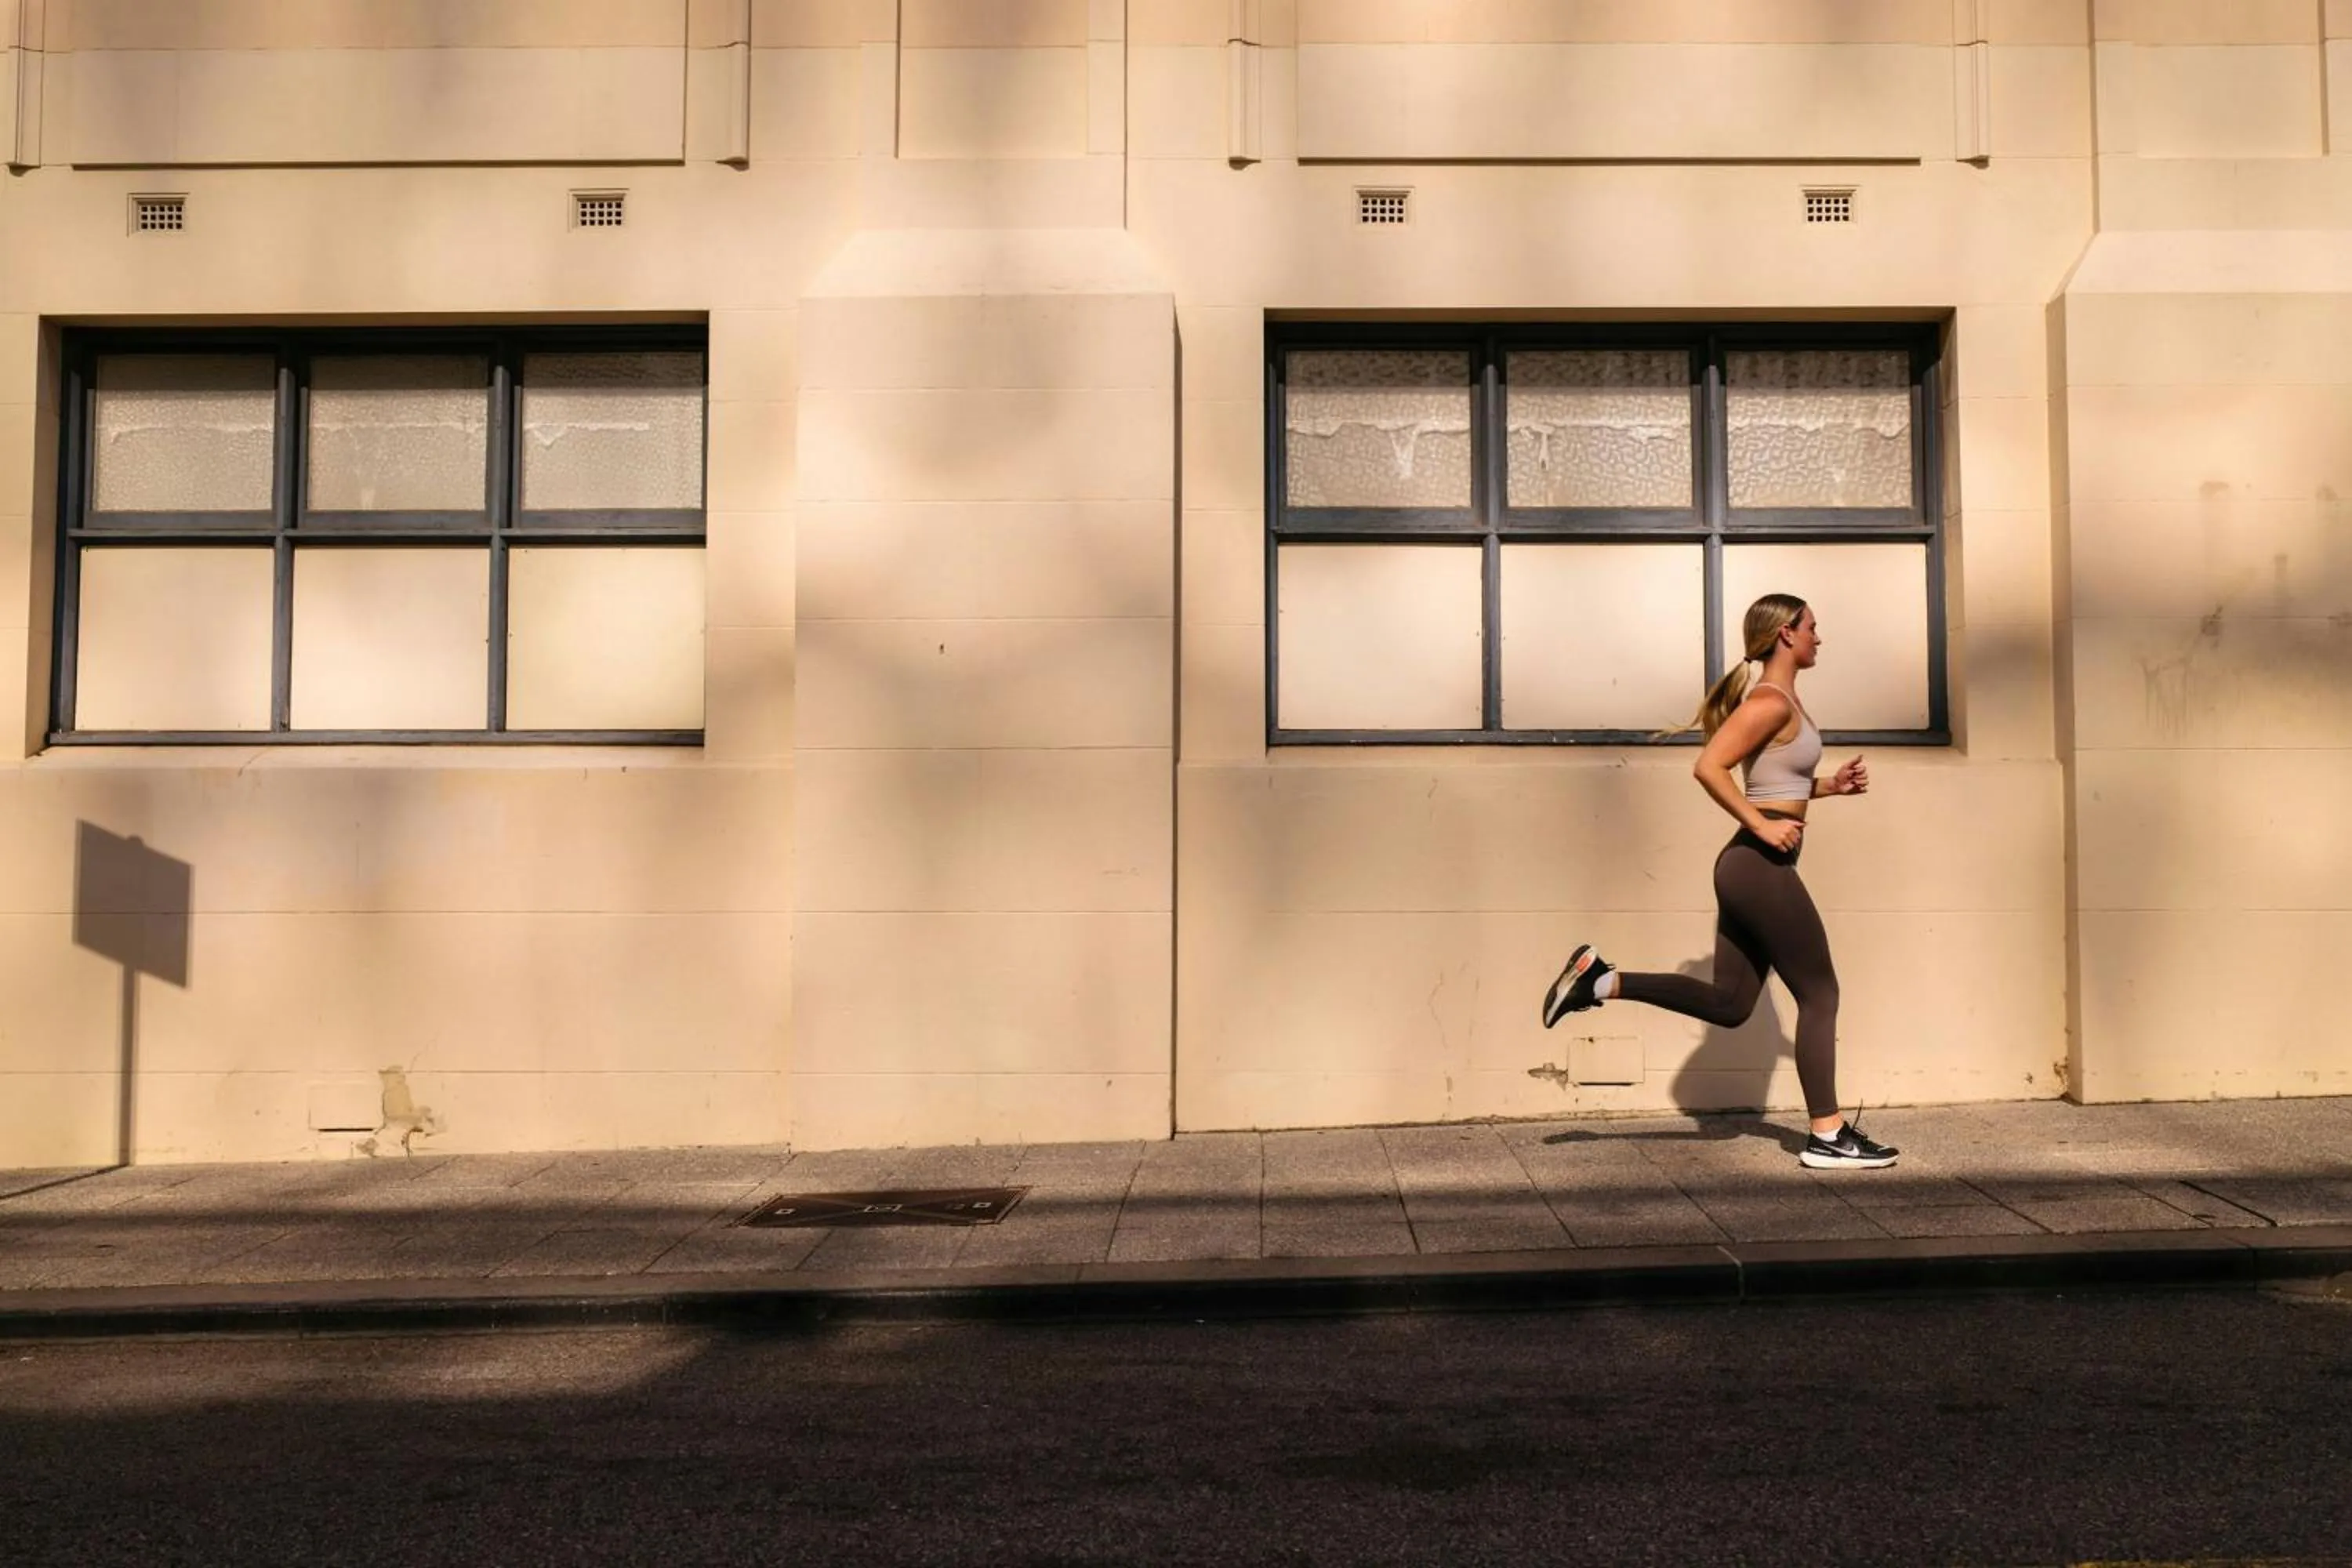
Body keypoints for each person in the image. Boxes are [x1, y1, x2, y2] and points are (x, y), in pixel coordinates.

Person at [1541, 593, 1897, 1171]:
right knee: (1820, 994)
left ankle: (1599, 982)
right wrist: (1760, 824)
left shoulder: (1784, 701)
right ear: (1786, 634)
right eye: (1812, 627)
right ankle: (1827, 1135)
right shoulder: (1770, 701)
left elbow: (1776, 782)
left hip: (1750, 866)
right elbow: (1709, 766)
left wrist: (1829, 787)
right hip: (1756, 865)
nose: (1819, 637)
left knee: (1730, 1005)